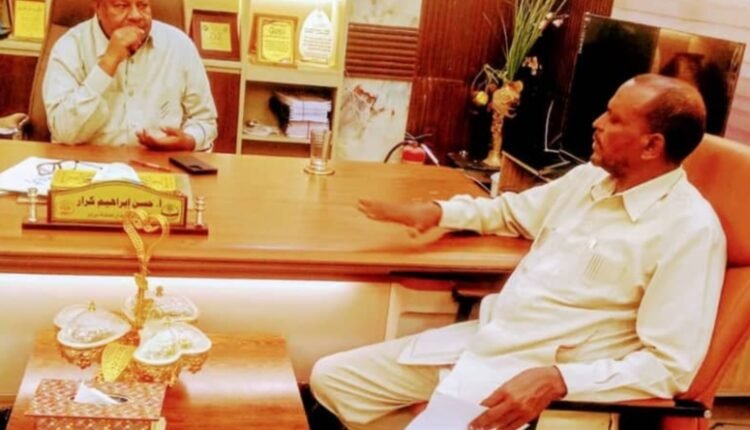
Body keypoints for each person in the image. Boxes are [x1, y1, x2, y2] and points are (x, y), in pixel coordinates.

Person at [310, 74, 727, 430]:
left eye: (614, 119)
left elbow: (669, 368)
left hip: (536, 381)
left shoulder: (689, 230)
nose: (597, 123)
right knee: (332, 380)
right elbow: (511, 213)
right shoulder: (588, 180)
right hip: (487, 342)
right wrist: (437, 212)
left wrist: (558, 380)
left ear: (651, 146)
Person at [42, 0, 218, 151]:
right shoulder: (71, 46)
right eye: (121, 5)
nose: (136, 15)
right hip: (88, 166)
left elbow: (205, 120)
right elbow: (63, 131)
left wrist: (189, 141)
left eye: (142, 5)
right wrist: (108, 63)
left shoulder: (179, 45)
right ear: (97, 6)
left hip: (159, 167)